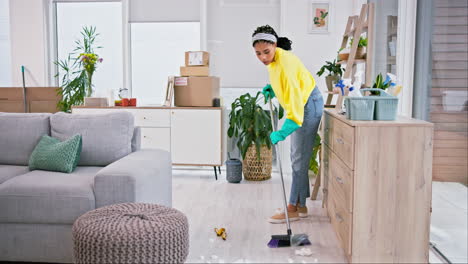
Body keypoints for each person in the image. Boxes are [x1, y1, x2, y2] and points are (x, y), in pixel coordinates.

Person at [252, 25, 324, 223]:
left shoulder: (286, 65)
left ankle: (292, 207)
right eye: (258, 53)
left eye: (266, 52)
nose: (263, 57)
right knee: (297, 157)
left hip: (308, 105)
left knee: (298, 158)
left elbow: (296, 113)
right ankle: (300, 205)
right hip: (306, 100)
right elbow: (285, 83)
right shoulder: (277, 59)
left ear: (275, 45)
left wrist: (282, 132)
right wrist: (274, 89)